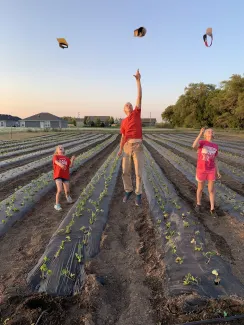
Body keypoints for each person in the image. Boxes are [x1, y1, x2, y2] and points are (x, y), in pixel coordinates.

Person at [118, 69, 144, 206]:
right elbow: (123, 136)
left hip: (138, 145)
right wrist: (120, 149)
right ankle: (128, 190)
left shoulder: (136, 113)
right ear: (124, 109)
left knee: (138, 172)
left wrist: (138, 81)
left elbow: (139, 97)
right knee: (125, 171)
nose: (129, 105)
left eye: (130, 104)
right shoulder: (123, 122)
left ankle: (138, 193)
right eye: (126, 105)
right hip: (127, 146)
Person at [192, 128, 221, 216]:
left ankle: (212, 208)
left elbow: (215, 159)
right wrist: (200, 134)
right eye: (208, 131)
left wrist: (218, 171)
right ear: (205, 134)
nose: (210, 132)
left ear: (213, 134)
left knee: (211, 189)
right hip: (201, 169)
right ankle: (198, 204)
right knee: (200, 188)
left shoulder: (215, 146)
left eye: (211, 131)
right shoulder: (202, 143)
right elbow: (193, 146)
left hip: (211, 170)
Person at [53, 145, 76, 211]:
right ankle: (57, 205)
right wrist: (61, 165)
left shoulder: (66, 158)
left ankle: (68, 197)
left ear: (64, 150)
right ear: (57, 151)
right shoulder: (56, 156)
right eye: (59, 147)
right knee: (59, 190)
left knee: (67, 191)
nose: (60, 148)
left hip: (65, 176)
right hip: (58, 175)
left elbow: (71, 166)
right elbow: (56, 162)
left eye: (62, 147)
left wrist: (72, 159)